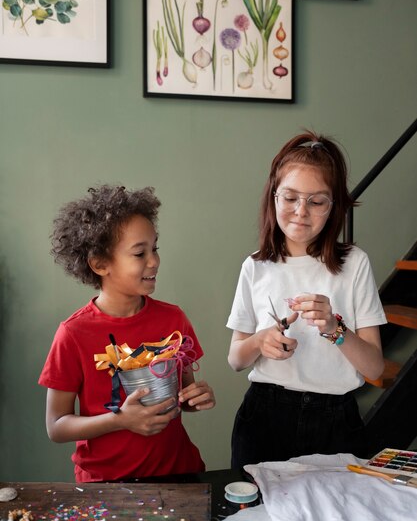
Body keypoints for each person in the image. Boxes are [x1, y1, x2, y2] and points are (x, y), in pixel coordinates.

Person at [226, 130, 386, 468]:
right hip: (264, 417)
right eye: (290, 197)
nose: (301, 211)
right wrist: (260, 340)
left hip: (336, 420)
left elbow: (375, 368)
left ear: (333, 206)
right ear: (274, 197)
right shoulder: (255, 266)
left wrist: (334, 327)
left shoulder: (354, 264)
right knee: (256, 519)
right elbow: (236, 359)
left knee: (339, 520)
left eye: (316, 201)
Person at [39, 185, 215, 482]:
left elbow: (181, 396)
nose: (154, 260)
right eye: (139, 253)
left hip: (179, 474)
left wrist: (196, 398)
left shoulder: (174, 319)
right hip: (106, 485)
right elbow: (56, 426)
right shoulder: (73, 334)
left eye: (155, 248)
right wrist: (121, 420)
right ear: (100, 264)